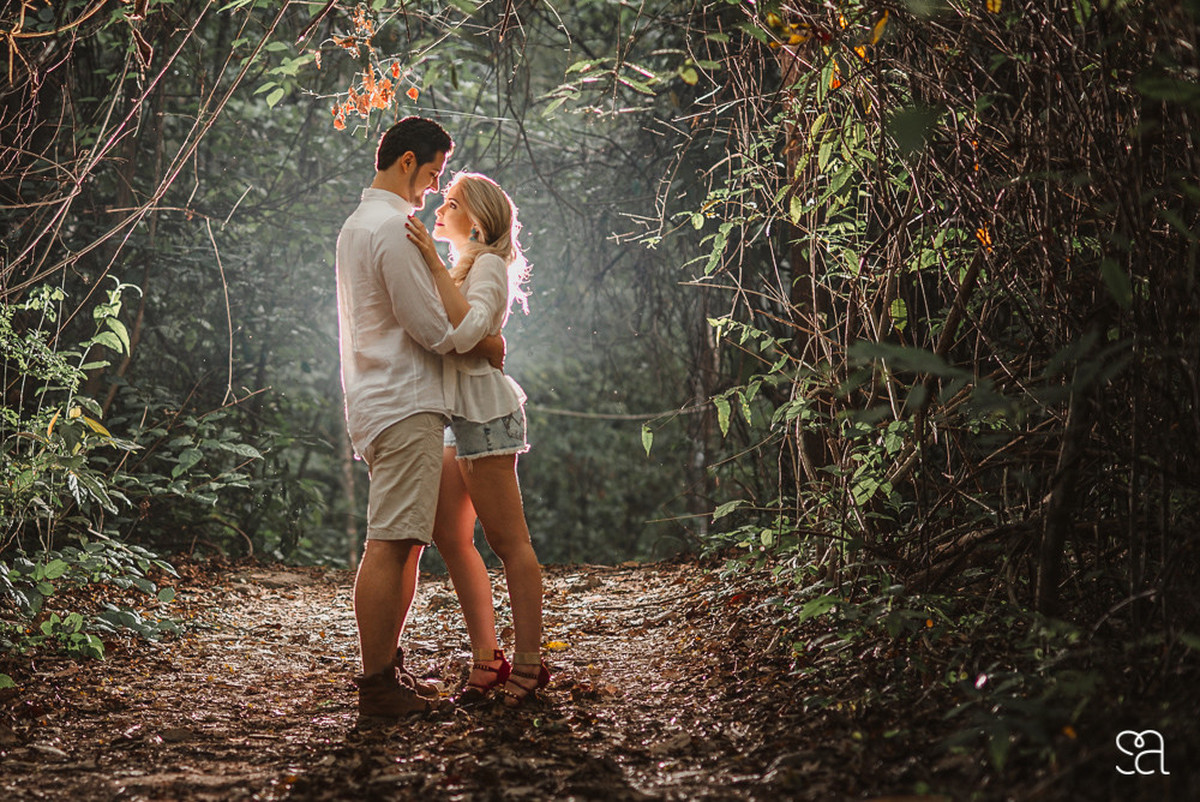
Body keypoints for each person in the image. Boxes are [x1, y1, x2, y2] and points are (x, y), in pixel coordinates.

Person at [335, 118, 504, 720]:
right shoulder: (392, 227)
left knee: (404, 540)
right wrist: (484, 343)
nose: (433, 190)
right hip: (404, 400)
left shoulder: (357, 224)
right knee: (392, 539)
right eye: (433, 174)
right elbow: (431, 327)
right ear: (407, 161)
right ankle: (377, 684)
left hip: (379, 397)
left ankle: (386, 668)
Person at [405, 173, 549, 707]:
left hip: (486, 417)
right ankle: (487, 658)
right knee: (450, 538)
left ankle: (531, 664)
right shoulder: (461, 266)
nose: (439, 208)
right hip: (451, 417)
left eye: (452, 202)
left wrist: (434, 267)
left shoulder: (486, 265)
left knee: (510, 543)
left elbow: (466, 336)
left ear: (479, 219)